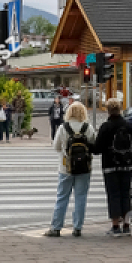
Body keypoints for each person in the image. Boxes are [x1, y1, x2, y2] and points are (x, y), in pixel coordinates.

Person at [93, 96, 132, 235]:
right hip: (126, 166)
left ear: (108, 110)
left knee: (113, 195)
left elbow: (97, 148)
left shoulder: (106, 127)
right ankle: (126, 225)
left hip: (110, 166)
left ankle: (115, 227)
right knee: (125, 194)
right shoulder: (129, 126)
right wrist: (128, 155)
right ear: (120, 109)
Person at [47, 100, 94, 238]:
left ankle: (56, 227)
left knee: (62, 197)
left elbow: (56, 147)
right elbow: (93, 145)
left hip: (65, 168)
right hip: (84, 168)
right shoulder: (88, 127)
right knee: (81, 197)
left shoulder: (63, 128)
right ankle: (77, 227)